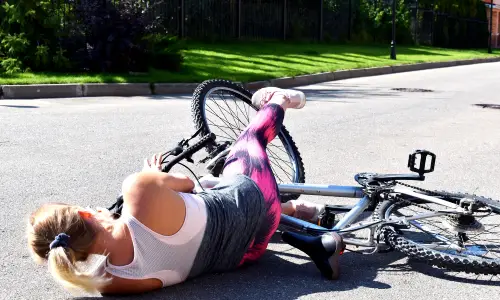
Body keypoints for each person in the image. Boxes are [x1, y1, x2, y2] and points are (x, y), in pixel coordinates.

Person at [26, 87, 344, 296]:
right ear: (82, 213)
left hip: (247, 252)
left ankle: (298, 211)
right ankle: (280, 101)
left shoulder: (110, 283)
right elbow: (187, 185)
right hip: (255, 201)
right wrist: (151, 176)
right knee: (249, 143)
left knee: (210, 188)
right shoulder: (138, 188)